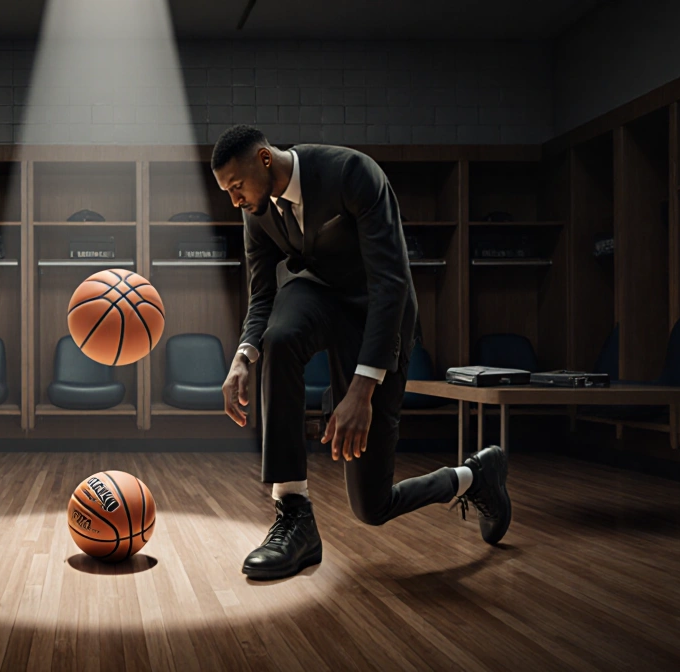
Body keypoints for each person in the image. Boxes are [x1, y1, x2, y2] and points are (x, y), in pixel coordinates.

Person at [210, 124, 512, 580]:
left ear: (265, 159)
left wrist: (361, 390)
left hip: (379, 313)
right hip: (321, 297)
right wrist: (243, 356)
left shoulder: (352, 173)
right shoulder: (257, 211)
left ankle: (474, 477)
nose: (235, 200)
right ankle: (294, 514)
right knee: (280, 337)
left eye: (236, 186)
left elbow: (392, 283)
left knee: (372, 506)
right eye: (226, 192)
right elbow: (262, 296)